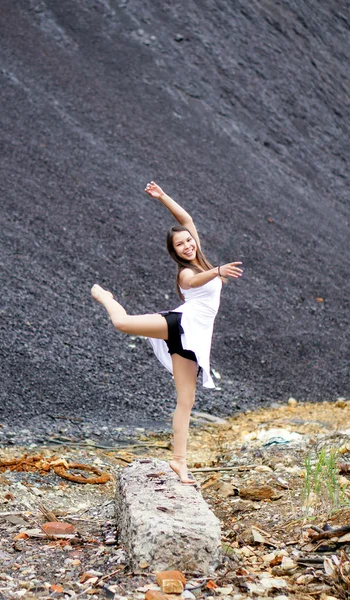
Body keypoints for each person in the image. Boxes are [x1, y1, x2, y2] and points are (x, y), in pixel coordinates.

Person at [91, 182, 243, 484]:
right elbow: (192, 284)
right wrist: (217, 271)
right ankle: (104, 296)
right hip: (178, 324)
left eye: (189, 242)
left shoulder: (199, 257)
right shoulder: (188, 272)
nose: (187, 245)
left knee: (186, 401)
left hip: (193, 340)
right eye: (180, 246)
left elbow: (186, 220)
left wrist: (162, 198)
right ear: (175, 253)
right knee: (123, 324)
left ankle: (179, 462)